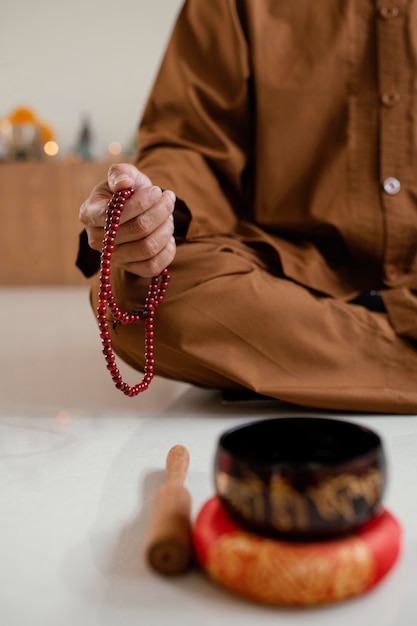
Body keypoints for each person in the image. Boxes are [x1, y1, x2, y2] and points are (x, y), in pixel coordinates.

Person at [77, 0, 417, 414]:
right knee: (134, 295)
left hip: (290, 319)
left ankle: (308, 362)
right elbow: (192, 144)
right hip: (290, 275)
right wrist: (151, 210)